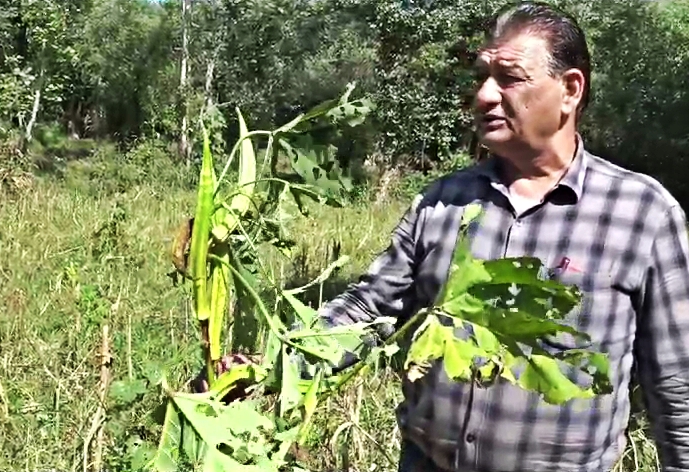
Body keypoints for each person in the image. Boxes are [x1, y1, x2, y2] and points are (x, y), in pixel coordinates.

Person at [200, 2, 689, 471]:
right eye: (481, 77)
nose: (483, 95)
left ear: (570, 90)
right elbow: (370, 310)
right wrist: (266, 365)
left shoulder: (642, 213)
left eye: (509, 78)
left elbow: (676, 383)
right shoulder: (443, 201)